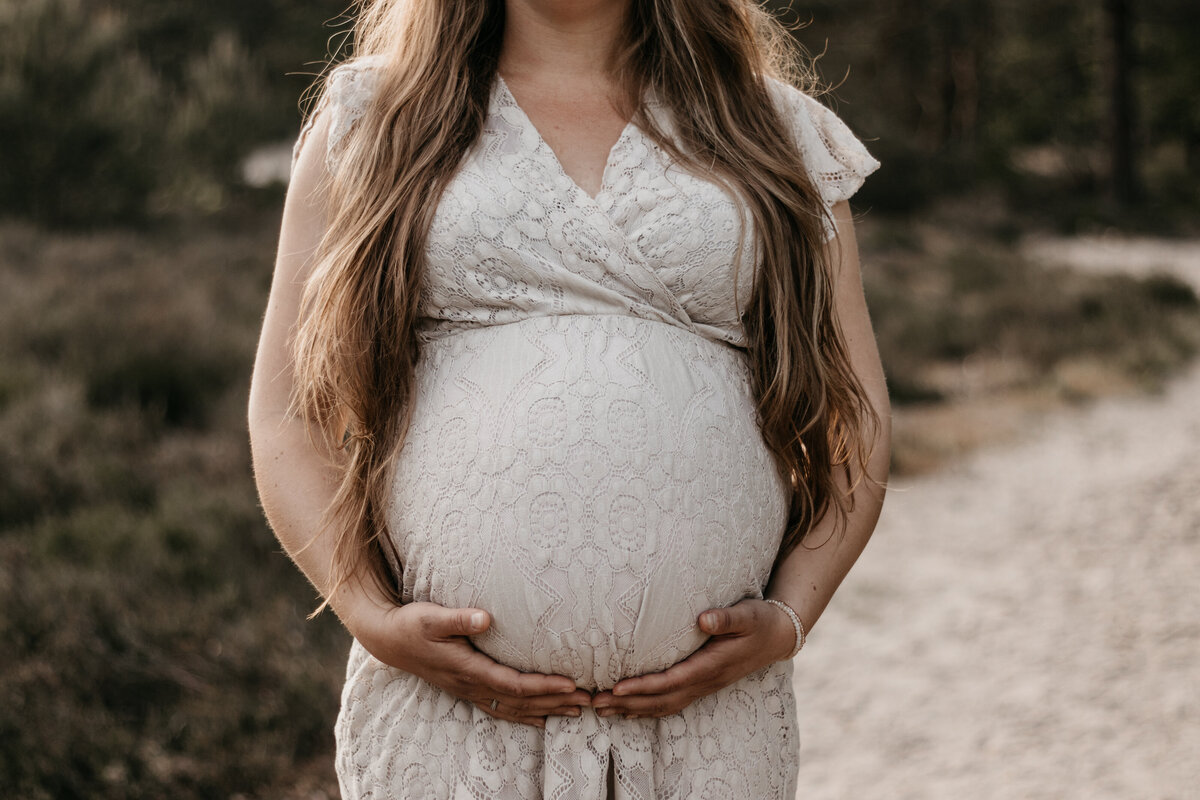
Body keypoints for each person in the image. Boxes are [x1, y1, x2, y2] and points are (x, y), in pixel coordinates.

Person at [248, 0, 891, 797]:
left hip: (709, 729)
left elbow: (854, 418)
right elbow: (286, 411)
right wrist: (368, 616)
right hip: (449, 729)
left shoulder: (775, 130)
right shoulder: (375, 114)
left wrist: (793, 615)